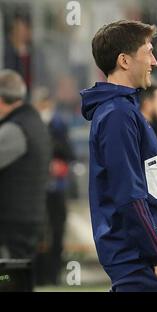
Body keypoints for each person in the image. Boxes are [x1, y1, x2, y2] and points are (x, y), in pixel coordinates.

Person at [80, 20, 157, 292]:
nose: (154, 61)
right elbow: (129, 194)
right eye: (148, 52)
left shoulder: (121, 110)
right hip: (141, 261)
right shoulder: (118, 115)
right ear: (124, 61)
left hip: (142, 259)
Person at [0, 69, 50, 260]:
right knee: (19, 277)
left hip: (10, 222)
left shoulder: (14, 129)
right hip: (28, 218)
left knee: (8, 279)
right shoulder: (34, 123)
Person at [32, 87, 75, 285]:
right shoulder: (32, 125)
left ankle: (53, 274)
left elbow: (69, 153)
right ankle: (38, 274)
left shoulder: (59, 125)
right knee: (37, 232)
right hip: (36, 189)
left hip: (56, 187)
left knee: (57, 231)